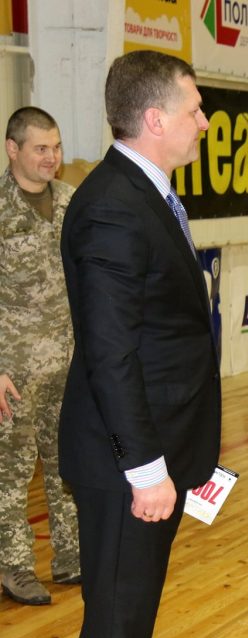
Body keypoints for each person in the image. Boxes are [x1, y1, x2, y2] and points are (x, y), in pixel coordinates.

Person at [59, 50, 220, 638]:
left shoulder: (142, 194)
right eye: (193, 109)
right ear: (155, 119)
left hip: (152, 446)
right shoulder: (114, 207)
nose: (204, 121)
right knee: (118, 619)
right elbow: (110, 351)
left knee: (129, 613)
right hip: (126, 460)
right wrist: (146, 468)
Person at [0, 107, 80, 606]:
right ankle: (15, 568)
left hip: (68, 365)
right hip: (13, 372)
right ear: (13, 149)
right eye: (41, 148)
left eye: (56, 147)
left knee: (66, 463)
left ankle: (71, 556)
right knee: (10, 472)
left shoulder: (72, 202)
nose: (52, 157)